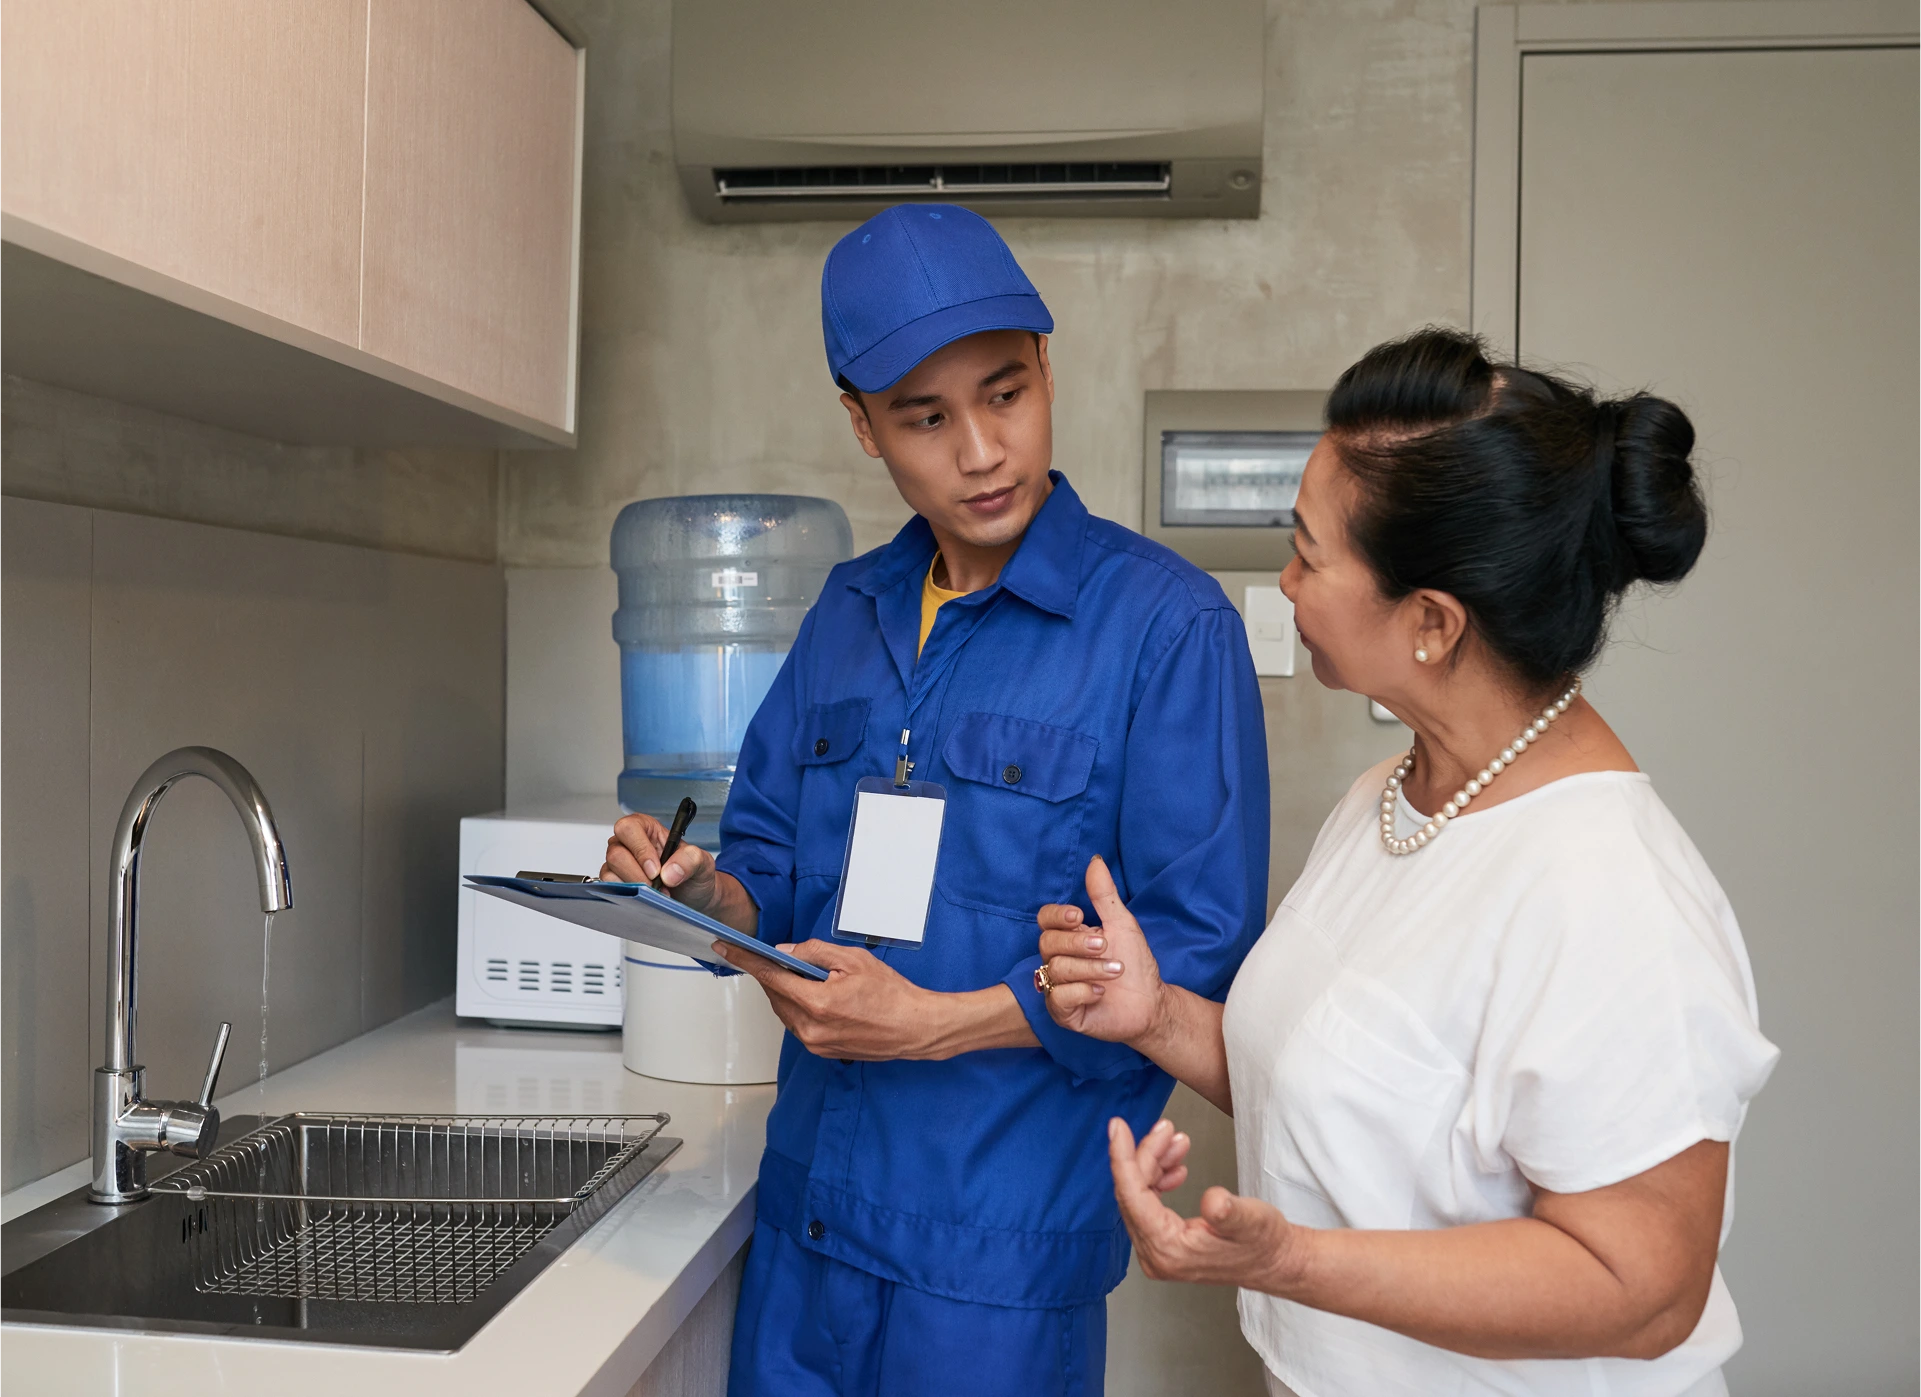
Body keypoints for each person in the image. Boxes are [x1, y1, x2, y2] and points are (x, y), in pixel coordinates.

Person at [600, 203, 1269, 1396]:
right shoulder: (847, 612)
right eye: (925, 416)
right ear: (862, 426)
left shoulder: (1166, 629)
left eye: (1004, 394)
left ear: (1047, 369)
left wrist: (938, 1021)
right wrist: (699, 891)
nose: (981, 451)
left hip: (995, 1263)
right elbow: (763, 857)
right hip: (805, 1227)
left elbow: (1192, 958)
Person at [1033, 328, 1780, 1397]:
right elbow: (1361, 1102)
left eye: (1308, 551)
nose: (1284, 580)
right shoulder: (1392, 799)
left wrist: (1287, 1258)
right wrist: (1152, 1014)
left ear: (1430, 622)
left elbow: (1646, 1287)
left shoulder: (1608, 891)